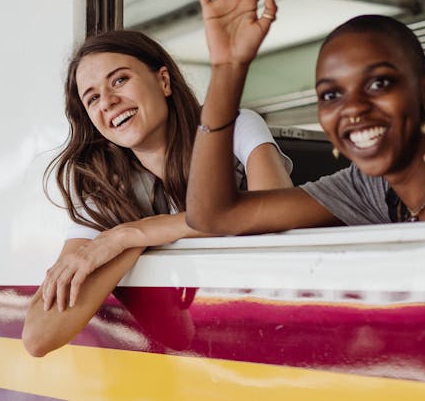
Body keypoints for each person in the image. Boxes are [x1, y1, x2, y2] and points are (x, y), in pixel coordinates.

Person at [22, 30, 293, 357]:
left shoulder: (231, 126)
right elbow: (39, 335)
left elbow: (276, 209)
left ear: (163, 81)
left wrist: (132, 233)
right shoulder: (107, 191)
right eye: (92, 98)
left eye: (119, 80)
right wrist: (132, 241)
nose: (107, 101)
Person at [185, 0, 425, 236]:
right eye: (331, 95)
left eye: (379, 83)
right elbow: (214, 216)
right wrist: (227, 70)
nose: (352, 107)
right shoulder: (365, 189)